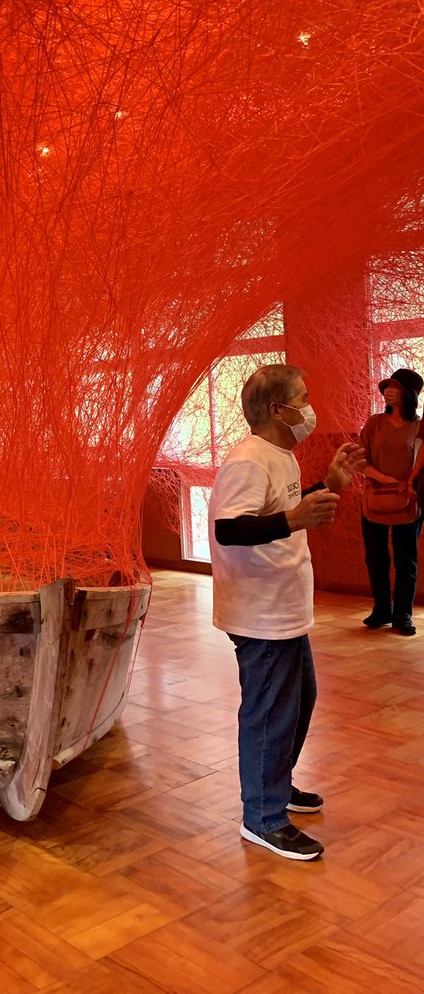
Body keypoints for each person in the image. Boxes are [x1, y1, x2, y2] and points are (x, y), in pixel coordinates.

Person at [208, 364, 365, 861]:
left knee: (299, 701)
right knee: (270, 712)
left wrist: (329, 483)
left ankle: (273, 783)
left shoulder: (281, 456)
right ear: (277, 410)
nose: (309, 407)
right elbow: (229, 529)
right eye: (302, 398)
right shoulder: (249, 460)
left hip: (282, 608)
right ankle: (263, 816)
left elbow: (281, 510)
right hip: (260, 614)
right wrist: (295, 519)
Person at [359, 367, 424, 636]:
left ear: (409, 394)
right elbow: (360, 459)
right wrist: (382, 478)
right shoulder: (374, 423)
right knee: (376, 559)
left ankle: (403, 615)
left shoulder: (418, 427)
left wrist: (410, 483)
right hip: (374, 499)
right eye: (387, 387)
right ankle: (382, 609)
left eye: (395, 387)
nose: (388, 391)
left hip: (408, 502)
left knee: (406, 561)